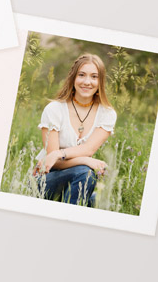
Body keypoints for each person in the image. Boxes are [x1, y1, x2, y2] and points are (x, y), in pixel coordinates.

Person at [35, 53, 117, 207]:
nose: (87, 82)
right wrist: (86, 160)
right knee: (86, 173)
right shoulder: (54, 109)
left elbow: (88, 149)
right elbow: (52, 163)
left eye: (94, 77)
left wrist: (60, 153)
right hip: (47, 180)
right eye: (81, 75)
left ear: (100, 81)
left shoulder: (107, 114)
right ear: (73, 78)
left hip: (79, 179)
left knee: (98, 200)